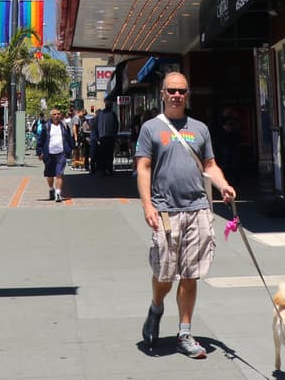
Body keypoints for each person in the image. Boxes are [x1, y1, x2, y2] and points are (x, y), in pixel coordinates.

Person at [135, 72, 236, 360]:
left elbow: (210, 164)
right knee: (165, 273)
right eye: (172, 90)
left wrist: (223, 185)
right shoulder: (151, 128)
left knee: (191, 274)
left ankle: (185, 333)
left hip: (197, 209)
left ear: (187, 94)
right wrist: (147, 206)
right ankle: (156, 307)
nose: (177, 95)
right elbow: (143, 167)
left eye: (182, 91)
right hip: (165, 210)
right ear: (163, 94)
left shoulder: (200, 129)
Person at [35, 108, 74, 203]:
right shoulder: (46, 126)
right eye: (55, 114)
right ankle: (51, 189)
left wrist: (71, 149)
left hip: (61, 153)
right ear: (51, 116)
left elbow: (69, 138)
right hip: (49, 154)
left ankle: (58, 193)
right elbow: (40, 140)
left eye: (58, 114)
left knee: (59, 174)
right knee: (49, 175)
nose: (57, 116)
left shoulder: (64, 125)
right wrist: (39, 152)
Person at [94, 99, 118, 176]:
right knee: (109, 154)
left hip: (103, 137)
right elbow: (116, 125)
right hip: (110, 136)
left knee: (103, 154)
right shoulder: (113, 114)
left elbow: (95, 126)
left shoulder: (99, 114)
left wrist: (97, 137)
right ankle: (109, 169)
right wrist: (115, 135)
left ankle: (104, 169)